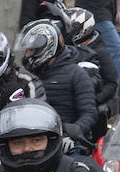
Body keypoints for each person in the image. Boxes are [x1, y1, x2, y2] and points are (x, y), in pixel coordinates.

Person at [16, 20, 98, 150]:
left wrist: (72, 133)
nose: (27, 55)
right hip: (32, 140)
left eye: (31, 50)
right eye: (27, 50)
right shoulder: (25, 76)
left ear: (47, 47)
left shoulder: (76, 74)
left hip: (68, 142)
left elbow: (89, 113)